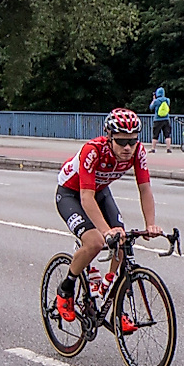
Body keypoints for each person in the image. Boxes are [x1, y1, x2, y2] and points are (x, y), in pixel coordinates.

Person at [50, 109, 161, 323]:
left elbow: (145, 189)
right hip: (71, 194)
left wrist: (151, 225)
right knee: (95, 242)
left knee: (122, 240)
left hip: (100, 192)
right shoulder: (92, 150)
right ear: (109, 136)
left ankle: (110, 293)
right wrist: (105, 230)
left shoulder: (138, 152)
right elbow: (86, 198)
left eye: (132, 141)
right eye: (121, 142)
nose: (128, 147)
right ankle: (66, 289)